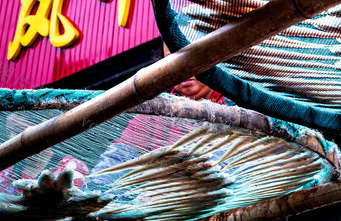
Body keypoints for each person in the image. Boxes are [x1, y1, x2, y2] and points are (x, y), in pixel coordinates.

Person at [86, 40, 232, 189]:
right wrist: (93, 188)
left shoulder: (241, 103)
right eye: (173, 60)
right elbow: (119, 159)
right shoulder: (157, 113)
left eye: (194, 55)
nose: (184, 67)